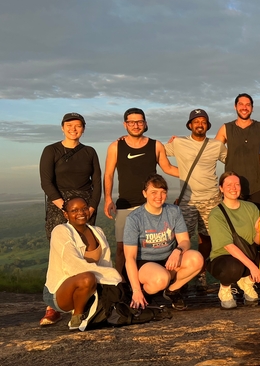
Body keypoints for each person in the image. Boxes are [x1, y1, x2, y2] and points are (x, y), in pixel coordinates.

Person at [39, 112, 102, 326]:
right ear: (62, 127)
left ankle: (83, 301)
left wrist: (92, 206)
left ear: (83, 128)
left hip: (85, 206)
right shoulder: (51, 150)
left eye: (78, 125)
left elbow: (98, 181)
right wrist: (64, 207)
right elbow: (46, 182)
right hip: (59, 204)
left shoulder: (90, 152)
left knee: (87, 252)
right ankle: (52, 306)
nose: (73, 129)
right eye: (69, 125)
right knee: (60, 253)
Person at [103, 108, 179, 276]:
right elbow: (108, 174)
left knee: (153, 246)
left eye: (139, 122)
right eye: (131, 122)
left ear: (145, 124)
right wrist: (108, 198)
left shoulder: (156, 145)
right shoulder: (116, 146)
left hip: (152, 204)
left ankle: (154, 279)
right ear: (125, 125)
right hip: (126, 204)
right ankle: (120, 283)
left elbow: (167, 168)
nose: (136, 125)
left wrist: (194, 174)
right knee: (122, 247)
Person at [165, 109, 227, 290]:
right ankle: (178, 274)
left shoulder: (217, 145)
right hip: (187, 200)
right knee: (181, 240)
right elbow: (155, 150)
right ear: (190, 125)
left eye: (203, 122)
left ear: (207, 125)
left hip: (211, 199)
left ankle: (201, 274)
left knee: (207, 239)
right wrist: (126, 141)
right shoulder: (179, 143)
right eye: (196, 121)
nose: (200, 124)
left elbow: (233, 160)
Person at [123, 174, 203, 310]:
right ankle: (144, 293)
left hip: (168, 258)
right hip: (145, 263)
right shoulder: (135, 218)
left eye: (163, 192)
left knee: (197, 259)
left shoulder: (173, 211)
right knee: (161, 278)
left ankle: (172, 290)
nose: (159, 196)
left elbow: (185, 241)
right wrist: (136, 289)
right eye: (153, 192)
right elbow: (130, 257)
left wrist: (178, 251)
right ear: (144, 193)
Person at [43, 197, 122, 330]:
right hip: (59, 292)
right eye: (74, 210)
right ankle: (77, 317)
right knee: (87, 278)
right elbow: (74, 267)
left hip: (90, 290)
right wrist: (113, 275)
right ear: (66, 214)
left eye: (84, 208)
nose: (81, 213)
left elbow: (105, 263)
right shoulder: (61, 231)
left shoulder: (98, 232)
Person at [208, 172, 260, 309]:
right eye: (229, 185)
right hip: (224, 259)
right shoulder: (216, 213)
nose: (233, 188)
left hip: (247, 253)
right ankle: (225, 289)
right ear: (221, 188)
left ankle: (247, 283)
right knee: (233, 267)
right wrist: (252, 267)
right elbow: (228, 246)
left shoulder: (251, 208)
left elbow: (257, 242)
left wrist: (258, 231)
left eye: (237, 184)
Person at [214, 94, 260, 209]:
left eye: (248, 105)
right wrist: (180, 141)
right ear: (235, 106)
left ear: (252, 108)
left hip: (257, 187)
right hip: (232, 187)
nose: (244, 108)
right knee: (235, 224)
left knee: (258, 223)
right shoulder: (226, 128)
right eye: (241, 104)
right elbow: (210, 150)